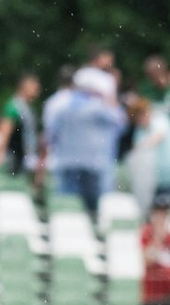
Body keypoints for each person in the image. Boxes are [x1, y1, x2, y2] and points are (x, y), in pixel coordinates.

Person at [44, 70, 125, 215]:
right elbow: (120, 123)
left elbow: (51, 136)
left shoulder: (62, 107)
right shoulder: (97, 107)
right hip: (93, 165)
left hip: (66, 164)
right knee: (93, 210)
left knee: (68, 209)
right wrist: (111, 102)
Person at [0, 73, 42, 182]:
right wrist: (0, 152)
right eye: (33, 85)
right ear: (23, 87)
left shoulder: (29, 107)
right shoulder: (14, 106)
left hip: (28, 157)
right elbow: (5, 132)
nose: (37, 88)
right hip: (16, 158)